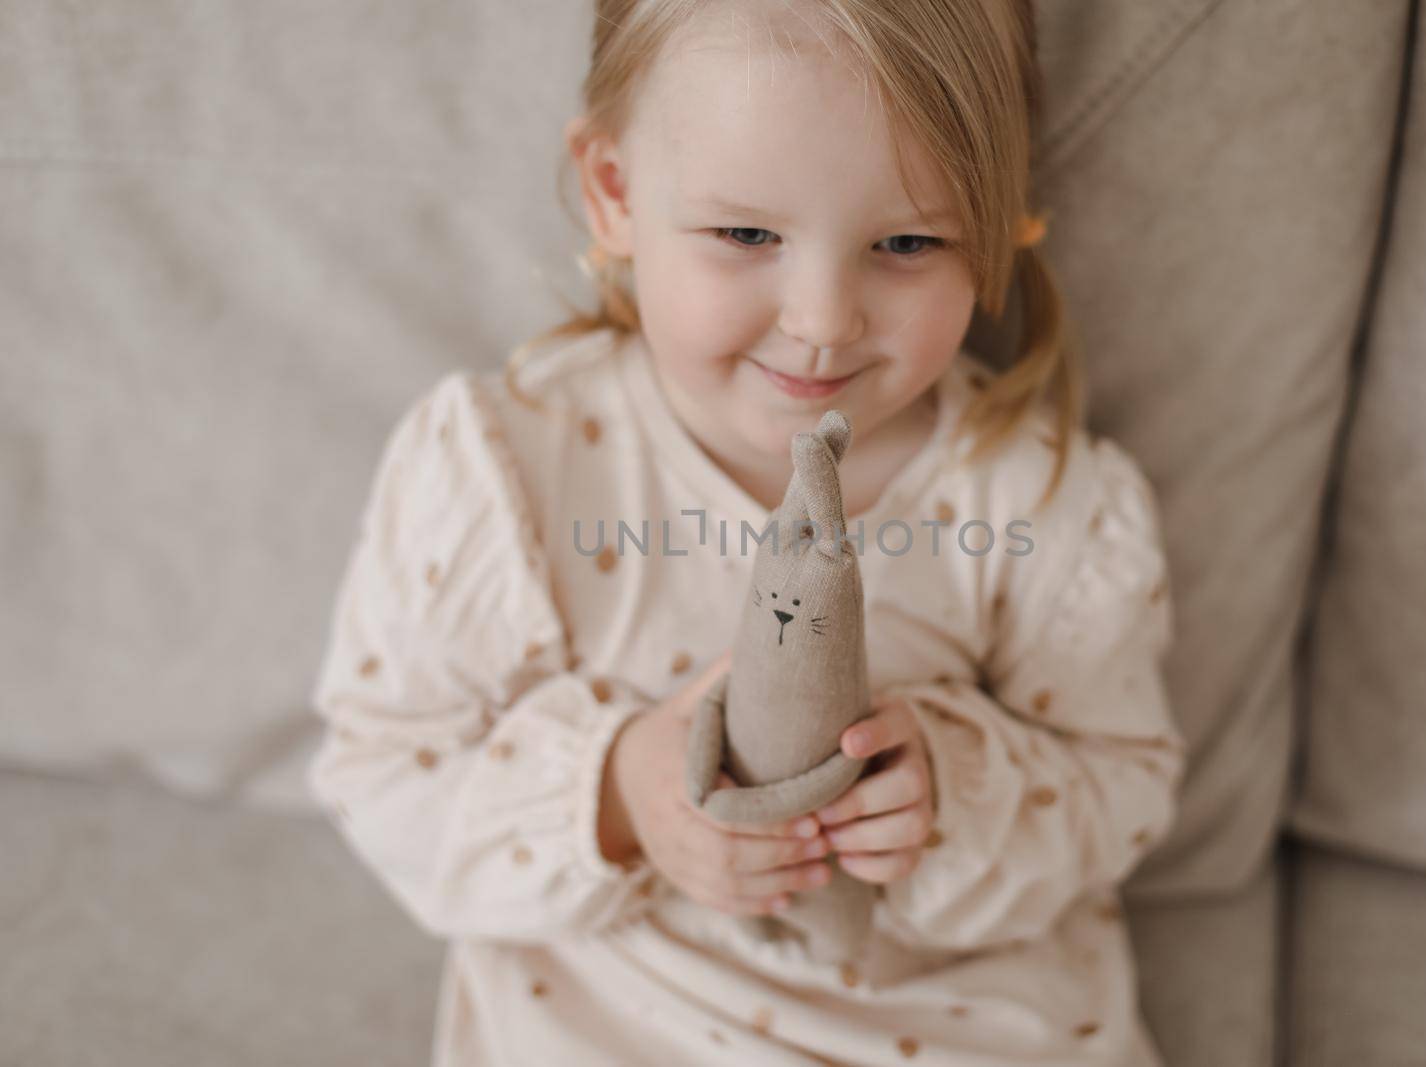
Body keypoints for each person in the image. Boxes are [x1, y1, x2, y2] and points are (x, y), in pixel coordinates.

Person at [306, 1, 1188, 1063]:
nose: (822, 319)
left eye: (907, 242)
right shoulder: (504, 470)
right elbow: (383, 771)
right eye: (746, 235)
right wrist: (617, 792)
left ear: (996, 225)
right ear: (614, 191)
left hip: (954, 1019)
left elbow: (1120, 785)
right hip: (617, 1018)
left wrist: (953, 789)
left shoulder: (1044, 504)